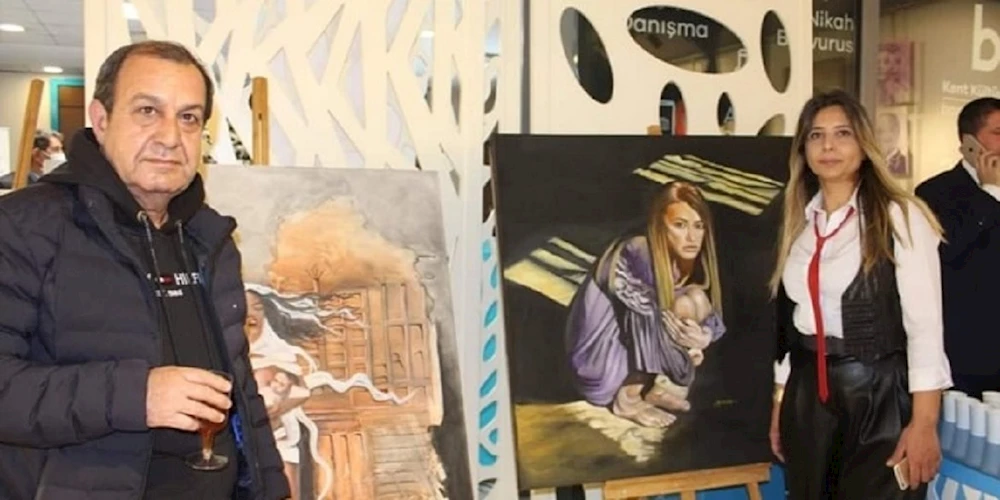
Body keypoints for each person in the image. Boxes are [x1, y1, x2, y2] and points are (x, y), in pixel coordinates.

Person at [0, 40, 290, 499]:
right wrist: (136, 395)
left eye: (188, 117)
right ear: (101, 120)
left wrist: (271, 489)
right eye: (148, 111)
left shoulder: (210, 238)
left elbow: (242, 392)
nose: (170, 136)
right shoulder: (21, 227)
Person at [769, 90, 952, 498]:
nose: (828, 146)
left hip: (878, 393)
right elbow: (795, 321)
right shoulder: (800, 220)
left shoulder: (900, 216)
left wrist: (924, 424)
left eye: (842, 133)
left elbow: (925, 329)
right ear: (803, 149)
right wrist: (781, 401)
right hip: (807, 392)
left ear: (864, 144)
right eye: (816, 135)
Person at [565, 180, 726, 428]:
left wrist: (703, 336)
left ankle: (656, 388)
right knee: (666, 309)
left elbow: (710, 316)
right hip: (599, 369)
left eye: (698, 226)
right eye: (680, 225)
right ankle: (628, 399)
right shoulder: (638, 250)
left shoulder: (678, 256)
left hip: (626, 348)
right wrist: (683, 357)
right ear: (658, 224)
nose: (692, 237)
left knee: (695, 297)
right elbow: (643, 320)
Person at [915, 97, 1000, 399]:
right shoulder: (935, 192)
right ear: (969, 142)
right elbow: (947, 253)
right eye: (998, 133)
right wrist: (990, 193)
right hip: (968, 353)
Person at [0, 130, 65, 189]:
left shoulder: (60, 183)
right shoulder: (9, 183)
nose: (61, 154)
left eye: (61, 149)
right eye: (55, 149)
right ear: (37, 154)